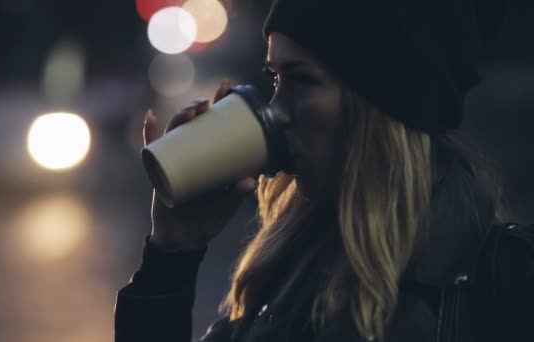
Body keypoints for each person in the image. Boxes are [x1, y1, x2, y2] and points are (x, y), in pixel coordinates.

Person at [115, 0, 534, 341]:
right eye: (274, 78)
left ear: (382, 102)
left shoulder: (504, 287)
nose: (275, 110)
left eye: (301, 79)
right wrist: (171, 256)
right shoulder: (282, 274)